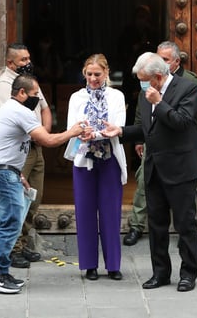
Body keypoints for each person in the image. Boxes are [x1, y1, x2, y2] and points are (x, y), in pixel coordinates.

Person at [0, 74, 92, 293]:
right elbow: (47, 140)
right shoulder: (20, 111)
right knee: (10, 225)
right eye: (34, 95)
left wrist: (18, 174)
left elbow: (4, 147)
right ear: (22, 93)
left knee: (1, 225)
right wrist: (73, 132)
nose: (37, 100)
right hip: (2, 176)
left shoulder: (9, 110)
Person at [101, 52, 197, 292]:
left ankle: (188, 274)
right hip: (154, 168)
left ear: (158, 77)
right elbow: (148, 129)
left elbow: (182, 122)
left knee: (185, 224)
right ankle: (160, 273)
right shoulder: (147, 95)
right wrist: (122, 131)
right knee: (156, 225)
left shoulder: (187, 88)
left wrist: (159, 102)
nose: (141, 84)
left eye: (144, 79)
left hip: (180, 169)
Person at [124, 41, 197, 246]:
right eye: (158, 58)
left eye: (165, 59)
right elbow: (142, 118)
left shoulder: (189, 85)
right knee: (148, 197)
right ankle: (137, 226)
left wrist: (191, 145)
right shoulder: (148, 87)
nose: (161, 62)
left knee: (184, 220)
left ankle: (188, 274)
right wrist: (125, 134)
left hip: (179, 158)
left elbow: (193, 121)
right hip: (154, 154)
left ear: (176, 62)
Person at [0, 43, 52, 269]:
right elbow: (17, 118)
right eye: (23, 60)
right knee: (16, 200)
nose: (28, 63)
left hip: (36, 147)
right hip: (18, 151)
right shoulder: (2, 86)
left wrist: (44, 131)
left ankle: (24, 242)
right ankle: (12, 249)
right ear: (10, 63)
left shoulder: (30, 83)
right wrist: (42, 135)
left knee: (33, 198)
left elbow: (44, 107)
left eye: (28, 58)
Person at [66, 54, 127, 281]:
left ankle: (113, 265)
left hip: (110, 158)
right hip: (84, 159)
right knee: (85, 212)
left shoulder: (117, 96)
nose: (93, 78)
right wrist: (84, 133)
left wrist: (97, 133)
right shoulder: (76, 97)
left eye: (97, 74)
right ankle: (89, 265)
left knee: (111, 212)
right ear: (84, 73)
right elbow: (72, 126)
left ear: (106, 74)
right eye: (89, 74)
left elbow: (118, 125)